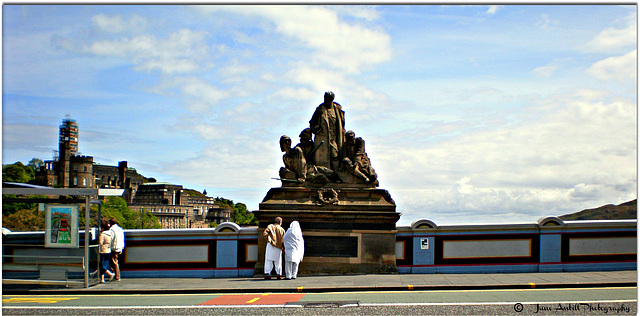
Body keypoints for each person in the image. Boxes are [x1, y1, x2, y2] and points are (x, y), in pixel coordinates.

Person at [309, 91, 345, 172]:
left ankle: (337, 174)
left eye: (328, 99)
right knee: (322, 158)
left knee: (335, 155)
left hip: (335, 137)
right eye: (325, 99)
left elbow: (342, 124)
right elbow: (312, 123)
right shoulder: (320, 109)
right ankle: (327, 174)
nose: (326, 101)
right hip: (323, 137)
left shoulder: (337, 109)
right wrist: (316, 129)